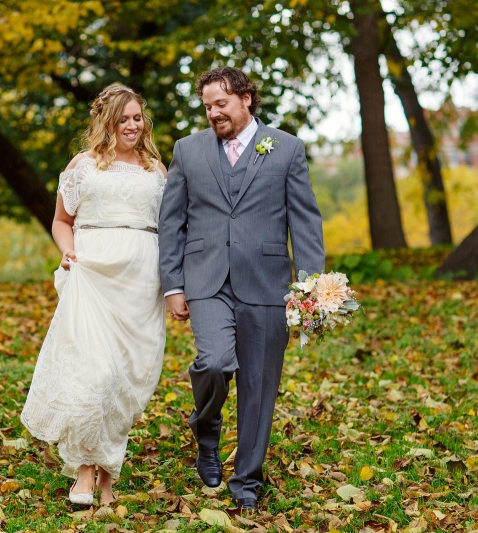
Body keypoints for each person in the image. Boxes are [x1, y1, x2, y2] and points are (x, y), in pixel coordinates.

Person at [158, 67, 324, 512]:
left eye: (221, 104)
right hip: (206, 279)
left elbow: (305, 222)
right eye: (207, 106)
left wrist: (309, 290)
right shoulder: (188, 150)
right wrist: (173, 284)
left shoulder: (287, 148)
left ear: (246, 99)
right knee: (214, 362)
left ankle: (247, 481)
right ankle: (206, 429)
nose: (214, 113)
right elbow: (171, 222)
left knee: (259, 385)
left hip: (268, 283)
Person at [21, 83, 168, 506]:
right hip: (93, 276)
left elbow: (173, 226)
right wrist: (67, 251)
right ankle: (86, 472)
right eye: (123, 119)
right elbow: (61, 220)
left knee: (129, 379)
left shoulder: (156, 169)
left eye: (137, 118)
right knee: (96, 374)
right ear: (106, 122)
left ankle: (107, 475)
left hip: (141, 282)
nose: (132, 126)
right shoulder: (83, 166)